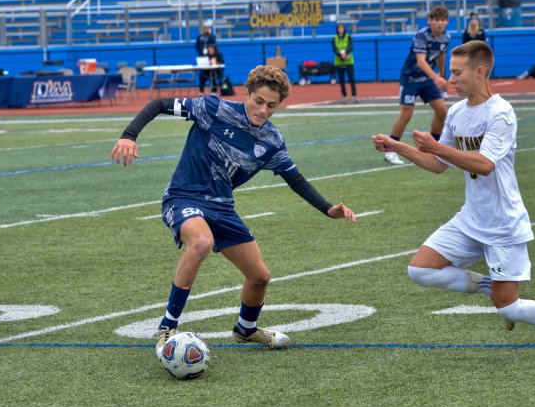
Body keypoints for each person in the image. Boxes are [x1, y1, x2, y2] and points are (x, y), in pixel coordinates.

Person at [111, 65, 356, 356]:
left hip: (222, 208)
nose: (264, 110)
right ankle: (167, 327)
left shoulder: (272, 142)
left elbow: (297, 180)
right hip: (183, 197)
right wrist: (129, 135)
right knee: (201, 242)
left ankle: (246, 329)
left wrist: (328, 209)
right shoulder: (213, 108)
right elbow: (160, 104)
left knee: (260, 277)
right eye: (259, 101)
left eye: (272, 106)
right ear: (247, 93)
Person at [372, 41, 535, 360]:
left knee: (510, 306)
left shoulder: (501, 112)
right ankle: (488, 285)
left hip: (503, 223)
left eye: (457, 73)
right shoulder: (457, 112)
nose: (450, 80)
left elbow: (485, 164)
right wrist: (396, 146)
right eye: (449, 73)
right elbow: (438, 164)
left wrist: (437, 148)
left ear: (480, 71)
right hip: (472, 217)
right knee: (420, 270)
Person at [382, 5, 450, 166]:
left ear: (447, 22)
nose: (439, 23)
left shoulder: (446, 37)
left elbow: (441, 54)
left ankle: (434, 146)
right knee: (406, 114)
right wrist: (436, 78)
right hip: (410, 78)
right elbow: (421, 61)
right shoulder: (422, 35)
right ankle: (391, 150)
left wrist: (441, 74)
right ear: (430, 21)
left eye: (442, 20)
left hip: (427, 78)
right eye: (436, 20)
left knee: (441, 110)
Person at [332, 23, 357, 102]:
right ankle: (344, 96)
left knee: (351, 79)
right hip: (339, 62)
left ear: (344, 29)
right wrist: (340, 55)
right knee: (341, 81)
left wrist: (346, 53)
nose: (340, 29)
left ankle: (354, 96)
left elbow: (351, 46)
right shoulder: (334, 39)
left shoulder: (348, 37)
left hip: (349, 62)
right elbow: (335, 49)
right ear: (337, 29)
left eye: (342, 28)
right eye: (339, 28)